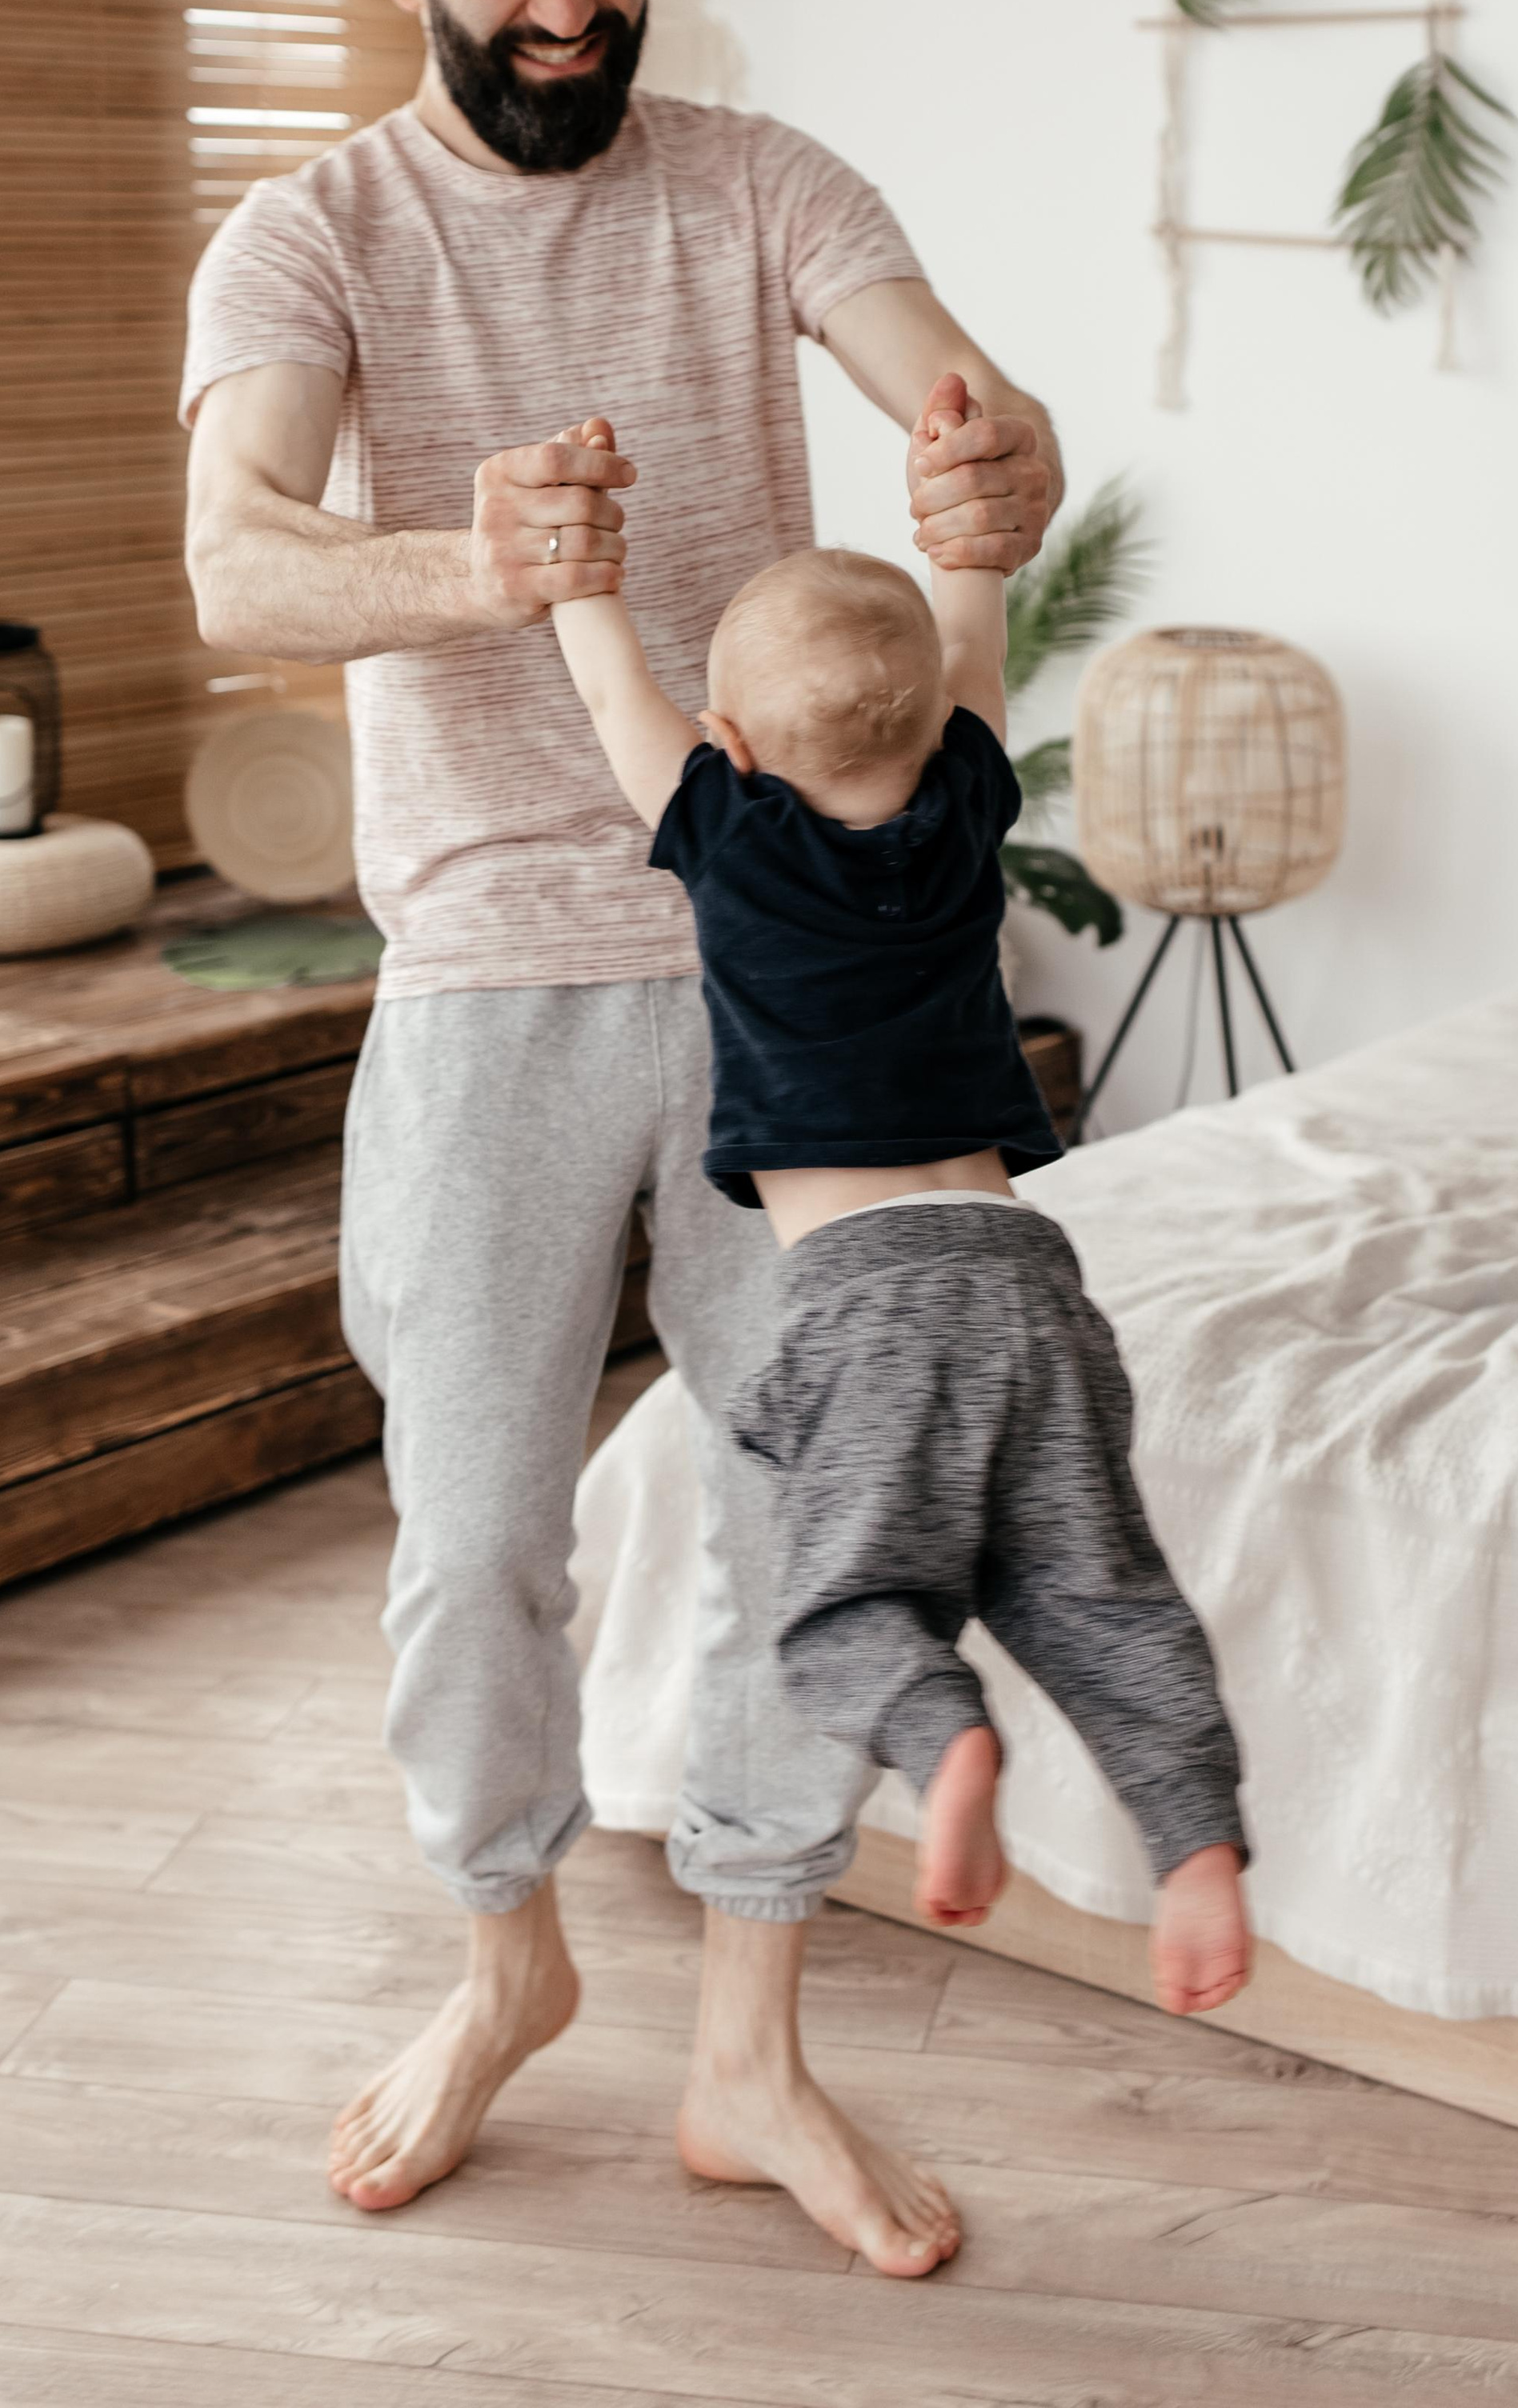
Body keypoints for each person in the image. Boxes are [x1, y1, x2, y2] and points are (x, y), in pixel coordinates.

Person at [179, 0, 1063, 2277]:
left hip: (785, 974)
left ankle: (753, 2059)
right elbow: (238, 563)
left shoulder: (769, 182)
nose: (569, 1)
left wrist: (996, 468)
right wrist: (478, 566)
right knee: (475, 1544)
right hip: (484, 975)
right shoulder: (314, 237)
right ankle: (506, 1959)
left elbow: (970, 411)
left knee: (817, 1510)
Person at [551, 399, 1253, 2002]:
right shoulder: (963, 808)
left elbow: (607, 683)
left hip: (865, 1297)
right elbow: (966, 631)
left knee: (844, 1606)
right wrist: (958, 536)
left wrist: (583, 552)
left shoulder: (724, 834)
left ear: (725, 748)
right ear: (940, 728)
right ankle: (1193, 1839)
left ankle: (941, 1754)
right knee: (1095, 1588)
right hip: (1026, 1277)